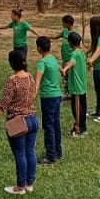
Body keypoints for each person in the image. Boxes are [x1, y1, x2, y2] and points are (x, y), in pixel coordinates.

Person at [0, 48, 39, 195]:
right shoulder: (30, 77)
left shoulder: (12, 80)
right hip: (33, 119)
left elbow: (3, 103)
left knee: (20, 155)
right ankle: (30, 183)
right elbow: (33, 94)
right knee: (30, 152)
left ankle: (20, 187)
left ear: (12, 63)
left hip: (18, 122)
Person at [34, 36, 63, 164]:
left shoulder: (42, 63)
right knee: (56, 124)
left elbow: (37, 82)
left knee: (49, 126)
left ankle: (50, 155)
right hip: (57, 95)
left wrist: (31, 97)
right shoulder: (53, 59)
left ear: (39, 48)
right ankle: (58, 152)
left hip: (48, 97)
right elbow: (61, 70)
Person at [60, 32, 88, 137]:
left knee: (76, 108)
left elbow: (72, 62)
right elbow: (85, 61)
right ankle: (82, 127)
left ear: (70, 43)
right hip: (82, 85)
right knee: (83, 107)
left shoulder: (75, 54)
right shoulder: (81, 53)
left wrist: (65, 69)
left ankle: (78, 129)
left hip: (76, 86)